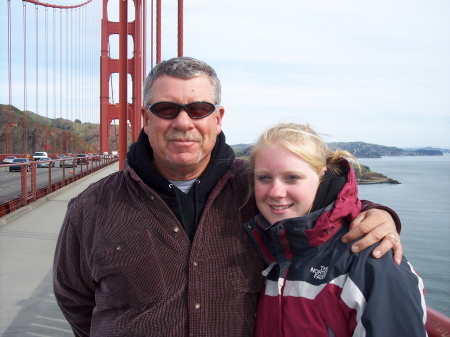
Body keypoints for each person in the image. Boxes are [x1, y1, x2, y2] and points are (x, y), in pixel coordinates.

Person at [53, 57, 403, 337]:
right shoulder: (92, 207)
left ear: (218, 118)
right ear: (145, 119)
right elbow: (74, 299)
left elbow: (321, 204)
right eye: (166, 110)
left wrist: (378, 213)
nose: (183, 122)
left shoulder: (260, 188)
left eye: (199, 109)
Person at [243, 123, 427, 337]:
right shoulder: (273, 245)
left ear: (322, 176)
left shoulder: (371, 259)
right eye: (264, 178)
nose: (275, 192)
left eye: (292, 177)